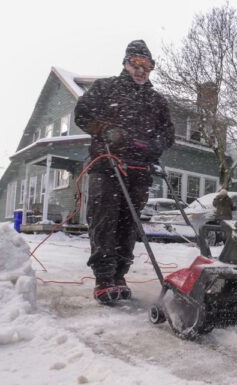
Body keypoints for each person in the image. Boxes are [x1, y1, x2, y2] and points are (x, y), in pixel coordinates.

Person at [74, 40, 175, 304]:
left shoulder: (156, 101)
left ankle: (119, 275)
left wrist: (156, 145)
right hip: (107, 165)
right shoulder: (105, 88)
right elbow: (82, 114)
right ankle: (104, 279)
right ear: (126, 63)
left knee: (129, 224)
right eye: (136, 64)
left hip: (139, 170)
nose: (141, 70)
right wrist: (104, 129)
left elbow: (168, 134)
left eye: (147, 65)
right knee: (104, 220)